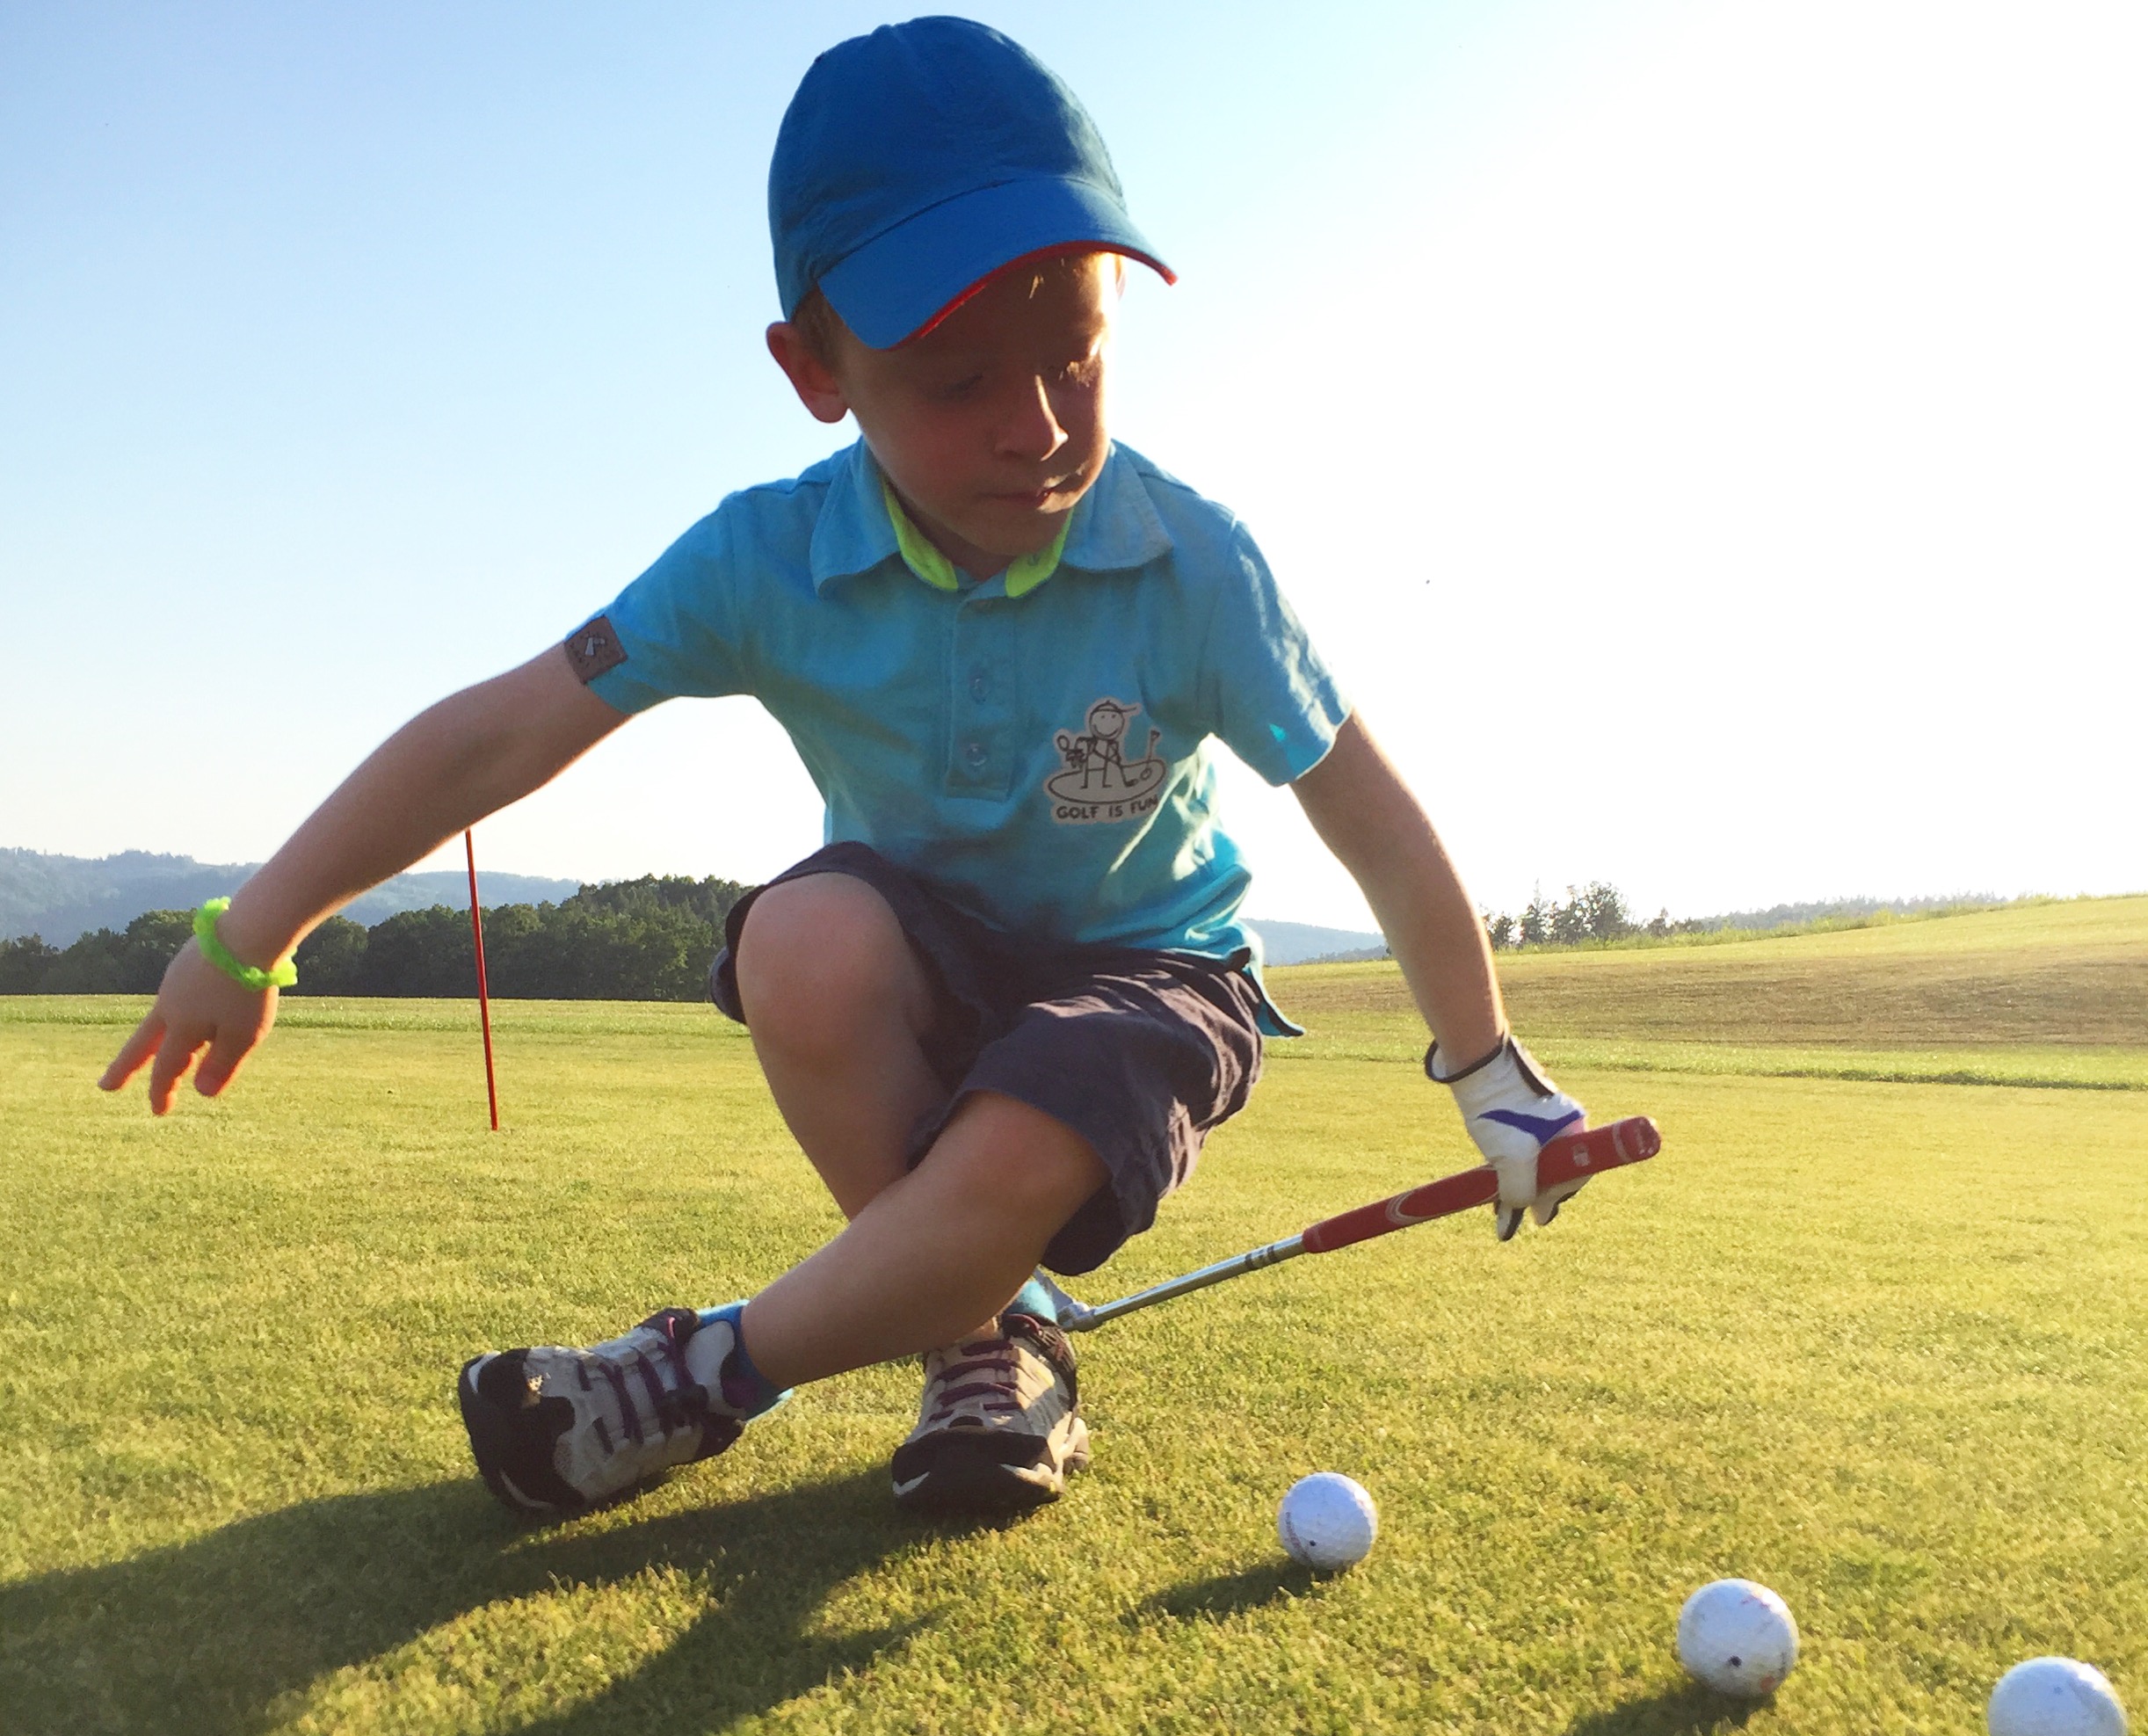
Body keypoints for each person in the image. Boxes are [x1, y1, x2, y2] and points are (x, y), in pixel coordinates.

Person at [100, 18, 1588, 1522]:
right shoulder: (765, 558)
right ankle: (985, 1342)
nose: (1039, 427)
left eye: (1077, 357)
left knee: (1049, 1092)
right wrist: (249, 932)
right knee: (801, 937)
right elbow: (503, 729)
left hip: (1152, 975)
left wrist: (1488, 1069)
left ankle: (696, 1376)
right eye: (959, 380)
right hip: (928, 959)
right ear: (815, 369)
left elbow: (1367, 814)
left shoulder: (1195, 563)